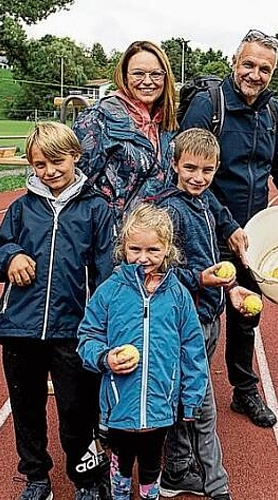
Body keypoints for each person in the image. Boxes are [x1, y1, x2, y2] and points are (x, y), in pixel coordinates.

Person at [179, 29, 278, 428]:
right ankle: (185, 395)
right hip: (205, 229)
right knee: (197, 316)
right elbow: (191, 174)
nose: (255, 74)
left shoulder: (273, 112)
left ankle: (244, 390)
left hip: (252, 235)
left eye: (264, 69)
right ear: (234, 63)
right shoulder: (208, 106)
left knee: (246, 315)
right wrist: (225, 224)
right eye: (249, 64)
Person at [0, 121, 116, 500]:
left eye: (57, 161)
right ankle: (36, 476)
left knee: (79, 410)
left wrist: (103, 323)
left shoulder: (96, 210)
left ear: (75, 156)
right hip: (19, 328)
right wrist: (10, 258)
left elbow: (106, 271)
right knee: (26, 408)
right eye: (40, 164)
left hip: (72, 330)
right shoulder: (21, 209)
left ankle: (86, 478)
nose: (50, 171)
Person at [152, 129, 260, 500]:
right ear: (175, 165)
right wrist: (200, 279)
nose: (199, 177)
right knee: (198, 402)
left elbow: (220, 218)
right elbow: (160, 268)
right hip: (186, 320)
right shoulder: (170, 210)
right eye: (191, 168)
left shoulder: (204, 199)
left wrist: (231, 288)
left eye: (208, 170)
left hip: (210, 313)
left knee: (186, 396)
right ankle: (215, 483)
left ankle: (177, 470)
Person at [77, 203, 209, 500]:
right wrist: (104, 357)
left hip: (161, 405)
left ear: (167, 250)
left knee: (151, 463)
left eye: (153, 250)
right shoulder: (110, 291)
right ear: (123, 247)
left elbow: (192, 350)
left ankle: (150, 494)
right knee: (121, 462)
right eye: (135, 249)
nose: (143, 258)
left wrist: (190, 400)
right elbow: (87, 335)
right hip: (118, 403)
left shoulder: (178, 295)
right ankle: (120, 493)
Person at [73, 40, 178, 221]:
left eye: (156, 74)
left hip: (151, 239)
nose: (147, 81)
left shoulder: (167, 123)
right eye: (138, 73)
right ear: (124, 76)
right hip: (107, 236)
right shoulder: (98, 119)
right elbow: (74, 183)